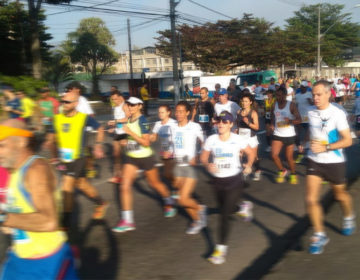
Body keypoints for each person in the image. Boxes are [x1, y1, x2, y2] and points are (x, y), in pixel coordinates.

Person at [0, 119, 77, 279]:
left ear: (21, 141)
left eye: (2, 145)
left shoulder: (36, 169)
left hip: (46, 262)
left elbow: (48, 221)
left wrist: (4, 218)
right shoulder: (14, 171)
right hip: (20, 257)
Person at [112, 97, 176, 233]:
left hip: (145, 157)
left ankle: (169, 201)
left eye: (133, 105)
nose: (130, 107)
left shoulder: (143, 121)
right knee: (124, 186)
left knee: (154, 183)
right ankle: (128, 220)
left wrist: (129, 133)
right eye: (129, 104)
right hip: (131, 157)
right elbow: (128, 138)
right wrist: (124, 140)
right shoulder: (129, 119)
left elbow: (146, 142)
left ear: (140, 106)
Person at [46, 91, 108, 231]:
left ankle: (65, 223)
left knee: (66, 187)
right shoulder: (56, 119)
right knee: (82, 184)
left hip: (78, 158)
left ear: (76, 104)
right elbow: (52, 139)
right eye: (62, 101)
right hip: (64, 160)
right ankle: (101, 203)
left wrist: (98, 145)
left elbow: (100, 129)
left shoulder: (83, 118)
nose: (64, 104)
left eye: (67, 102)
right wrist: (53, 151)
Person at [306, 80, 354, 254]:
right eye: (313, 94)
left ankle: (348, 217)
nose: (315, 98)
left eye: (319, 94)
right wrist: (305, 142)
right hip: (314, 160)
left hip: (334, 161)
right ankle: (320, 234)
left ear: (328, 93)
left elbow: (348, 140)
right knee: (311, 199)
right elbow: (312, 130)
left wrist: (326, 147)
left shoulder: (337, 113)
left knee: (340, 195)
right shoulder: (310, 111)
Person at [201, 111, 254, 264]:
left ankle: (220, 250)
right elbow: (203, 157)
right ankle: (242, 208)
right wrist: (207, 165)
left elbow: (250, 153)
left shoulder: (238, 139)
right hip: (217, 181)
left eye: (225, 121)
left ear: (231, 124)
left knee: (223, 216)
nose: (221, 124)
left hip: (234, 180)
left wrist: (249, 165)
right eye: (219, 121)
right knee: (226, 209)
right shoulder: (211, 139)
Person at [168, 101, 206, 234]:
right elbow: (173, 144)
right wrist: (170, 152)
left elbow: (204, 143)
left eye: (181, 111)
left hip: (190, 166)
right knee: (181, 199)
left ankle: (200, 209)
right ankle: (197, 221)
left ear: (188, 113)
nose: (178, 114)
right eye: (176, 111)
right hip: (178, 166)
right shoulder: (173, 127)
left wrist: (199, 155)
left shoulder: (194, 126)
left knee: (183, 199)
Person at [271, 87, 301, 184]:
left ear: (284, 95)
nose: (277, 97)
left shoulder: (291, 105)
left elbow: (299, 120)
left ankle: (293, 174)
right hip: (277, 133)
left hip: (289, 135)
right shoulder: (274, 104)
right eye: (276, 95)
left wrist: (291, 121)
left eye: (279, 95)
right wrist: (271, 124)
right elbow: (272, 115)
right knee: (274, 155)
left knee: (289, 158)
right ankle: (282, 170)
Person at [150, 105, 177, 186]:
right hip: (164, 151)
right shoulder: (157, 124)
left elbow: (179, 138)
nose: (160, 114)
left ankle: (179, 188)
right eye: (159, 112)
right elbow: (154, 138)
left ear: (168, 112)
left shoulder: (174, 123)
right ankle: (177, 186)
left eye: (162, 112)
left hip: (173, 151)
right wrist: (149, 137)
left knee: (169, 173)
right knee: (167, 174)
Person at [237, 93, 261, 181]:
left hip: (251, 138)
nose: (244, 103)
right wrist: (236, 130)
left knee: (254, 157)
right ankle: (242, 172)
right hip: (241, 138)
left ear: (250, 102)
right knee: (239, 154)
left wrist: (248, 123)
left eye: (246, 101)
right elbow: (238, 124)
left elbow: (257, 127)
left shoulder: (253, 113)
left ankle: (257, 170)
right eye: (243, 101)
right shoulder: (239, 112)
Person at [107, 91, 130, 184]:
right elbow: (117, 121)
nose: (114, 101)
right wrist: (112, 128)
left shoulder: (124, 105)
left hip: (125, 132)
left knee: (126, 155)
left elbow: (128, 118)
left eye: (115, 99)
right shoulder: (115, 107)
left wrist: (115, 121)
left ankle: (128, 173)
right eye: (112, 99)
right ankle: (118, 176)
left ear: (120, 97)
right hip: (117, 132)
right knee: (116, 155)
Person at [294, 81, 313, 164]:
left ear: (306, 87)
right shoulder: (297, 96)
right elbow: (296, 106)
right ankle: (300, 151)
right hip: (300, 118)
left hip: (308, 118)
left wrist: (310, 101)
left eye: (304, 87)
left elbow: (313, 104)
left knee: (308, 137)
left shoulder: (309, 94)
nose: (303, 88)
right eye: (302, 86)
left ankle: (308, 153)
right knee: (296, 135)